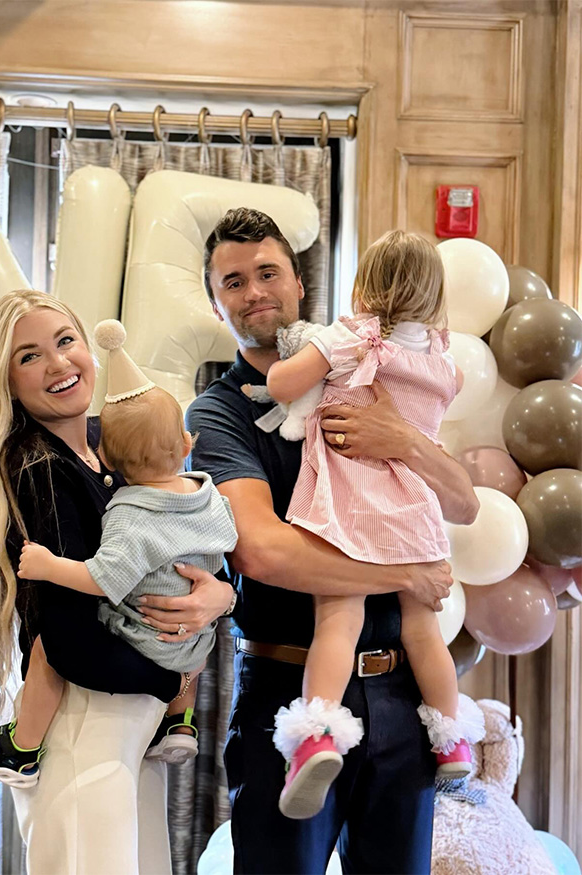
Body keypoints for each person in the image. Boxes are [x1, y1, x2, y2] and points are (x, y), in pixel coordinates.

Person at [156, 207, 480, 875]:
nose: (255, 292)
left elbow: (465, 502)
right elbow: (262, 551)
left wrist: (406, 442)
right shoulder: (217, 412)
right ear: (217, 304)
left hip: (400, 691)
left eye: (267, 272)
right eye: (234, 282)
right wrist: (403, 574)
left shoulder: (376, 370)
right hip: (287, 686)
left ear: (299, 282)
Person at [0, 290, 236, 875]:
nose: (57, 364)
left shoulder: (116, 445)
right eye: (29, 356)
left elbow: (195, 539)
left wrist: (223, 596)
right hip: (85, 716)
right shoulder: (40, 468)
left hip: (131, 717)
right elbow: (70, 638)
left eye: (65, 341)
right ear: (6, 381)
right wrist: (171, 675)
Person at [264, 231, 484, 820]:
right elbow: (439, 423)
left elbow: (282, 385)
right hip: (414, 503)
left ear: (362, 287)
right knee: (424, 630)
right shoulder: (442, 363)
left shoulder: (351, 340)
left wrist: (308, 358)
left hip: (351, 502)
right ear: (435, 298)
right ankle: (453, 741)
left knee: (337, 619)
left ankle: (315, 736)